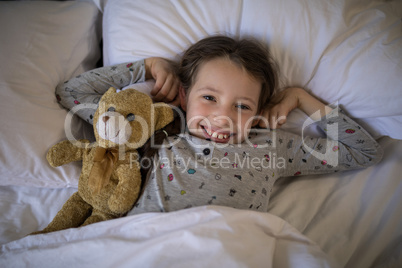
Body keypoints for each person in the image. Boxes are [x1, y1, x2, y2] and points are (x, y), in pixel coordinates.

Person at [55, 35, 383, 215]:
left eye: (242, 106)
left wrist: (300, 98)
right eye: (209, 98)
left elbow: (363, 152)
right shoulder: (158, 128)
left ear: (258, 113)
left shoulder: (271, 146)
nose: (221, 116)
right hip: (149, 240)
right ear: (183, 96)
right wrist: (148, 67)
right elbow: (73, 93)